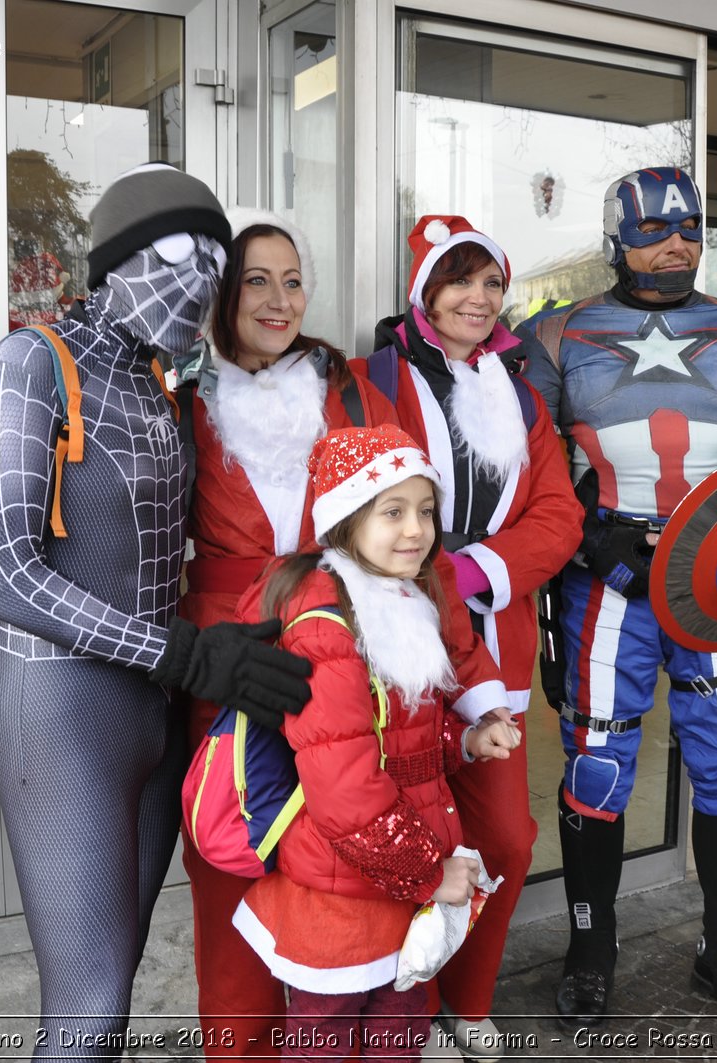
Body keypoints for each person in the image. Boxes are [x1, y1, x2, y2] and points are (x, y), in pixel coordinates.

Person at [0, 165, 314, 1060]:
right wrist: (188, 656)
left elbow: (177, 550)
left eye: (212, 264)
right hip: (59, 709)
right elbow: (8, 576)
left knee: (113, 984)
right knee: (86, 1006)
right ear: (114, 262)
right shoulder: (25, 365)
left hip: (149, 712)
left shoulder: (161, 391)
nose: (197, 283)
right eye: (173, 256)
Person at [178, 209, 511, 1060]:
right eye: (257, 279)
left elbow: (408, 532)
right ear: (222, 290)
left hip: (354, 651)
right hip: (234, 663)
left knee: (354, 848)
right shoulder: (181, 394)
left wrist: (466, 698)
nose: (280, 298)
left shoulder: (351, 389)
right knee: (241, 867)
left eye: (294, 280)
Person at [519, 168, 717, 1029]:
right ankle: (591, 952)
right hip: (604, 581)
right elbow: (525, 466)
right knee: (596, 767)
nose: (677, 242)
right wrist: (589, 534)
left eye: (690, 226)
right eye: (656, 228)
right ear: (617, 238)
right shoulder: (554, 336)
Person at [360, 215, 582, 1057]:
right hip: (395, 647)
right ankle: (394, 1018)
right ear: (423, 292)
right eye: (460, 279)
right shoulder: (367, 379)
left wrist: (472, 572)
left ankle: (468, 995)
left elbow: (559, 513)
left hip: (496, 648)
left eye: (492, 282)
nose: (479, 298)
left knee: (506, 840)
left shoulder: (520, 392)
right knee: (399, 832)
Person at [230, 424, 521, 1061]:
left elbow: (396, 735)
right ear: (345, 520)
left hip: (396, 881)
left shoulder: (396, 598)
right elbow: (346, 791)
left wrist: (466, 741)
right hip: (345, 892)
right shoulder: (327, 627)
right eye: (392, 512)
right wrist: (430, 873)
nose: (416, 530)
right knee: (325, 1041)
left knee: (400, 1032)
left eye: (424, 511)